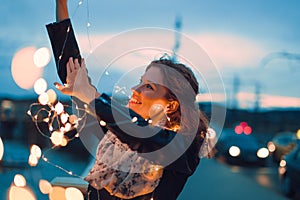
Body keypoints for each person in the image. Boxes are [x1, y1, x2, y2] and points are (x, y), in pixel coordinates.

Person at [46, 0, 211, 199]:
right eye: (140, 82)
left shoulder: (183, 147)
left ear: (171, 104)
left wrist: (92, 96)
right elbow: (72, 70)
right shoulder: (117, 134)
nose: (135, 89)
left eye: (148, 87)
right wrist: (62, 4)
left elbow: (143, 135)